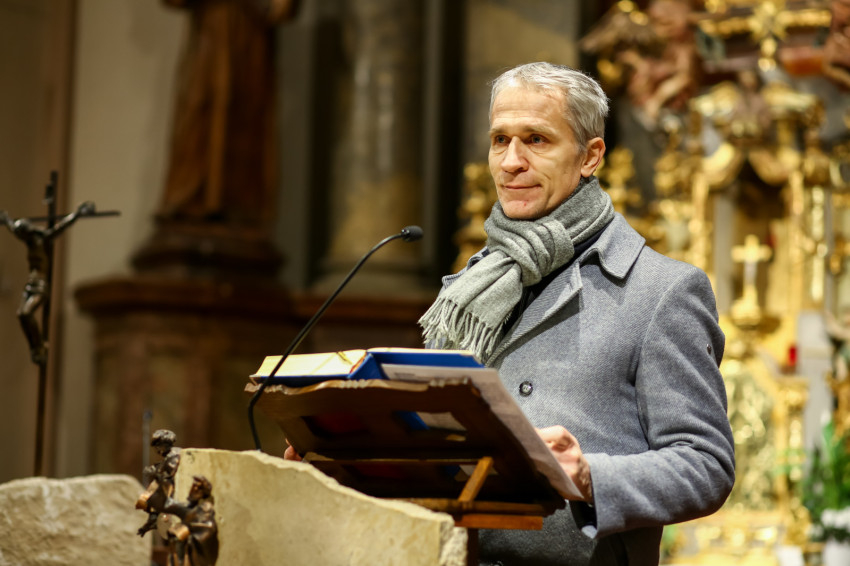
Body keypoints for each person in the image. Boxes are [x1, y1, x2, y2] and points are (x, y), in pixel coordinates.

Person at [418, 62, 735, 565]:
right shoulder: (469, 290)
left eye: (536, 140)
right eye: (500, 140)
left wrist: (591, 477)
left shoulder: (662, 290)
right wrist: (351, 458)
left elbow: (706, 465)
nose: (511, 162)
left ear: (590, 156)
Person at [0, 201, 95, 365]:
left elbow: (62, 226)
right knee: (21, 315)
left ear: (29, 231)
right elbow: (13, 228)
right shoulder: (28, 241)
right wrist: (5, 218)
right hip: (30, 285)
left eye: (23, 234)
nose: (21, 237)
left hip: (40, 285)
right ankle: (35, 347)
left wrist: (79, 213)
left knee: (26, 314)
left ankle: (38, 347)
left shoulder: (42, 239)